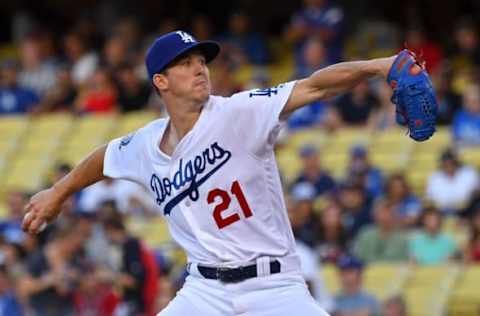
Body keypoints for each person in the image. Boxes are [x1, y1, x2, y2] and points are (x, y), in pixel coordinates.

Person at [22, 30, 397, 315]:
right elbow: (103, 158)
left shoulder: (239, 113)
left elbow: (315, 86)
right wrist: (58, 192)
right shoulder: (146, 143)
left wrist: (380, 66)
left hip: (273, 286)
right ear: (160, 81)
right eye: (185, 63)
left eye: (201, 60)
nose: (200, 67)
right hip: (204, 291)